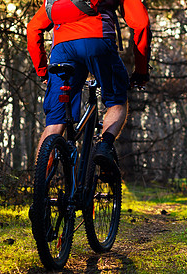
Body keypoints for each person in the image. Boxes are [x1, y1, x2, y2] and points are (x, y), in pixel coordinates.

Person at [27, 0, 151, 175]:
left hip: (61, 49)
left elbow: (33, 29)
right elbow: (142, 23)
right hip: (97, 42)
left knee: (55, 122)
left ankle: (39, 193)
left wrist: (42, 71)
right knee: (117, 102)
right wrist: (141, 71)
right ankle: (104, 146)